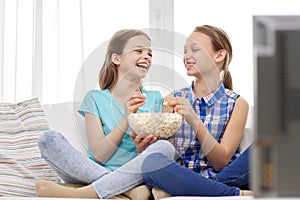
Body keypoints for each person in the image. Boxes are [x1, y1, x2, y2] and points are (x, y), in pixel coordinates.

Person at [34, 29, 176, 199]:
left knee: (166, 148)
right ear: (116, 59)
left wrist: (144, 148)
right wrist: (126, 118)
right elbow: (100, 156)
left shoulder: (155, 99)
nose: (147, 56)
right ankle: (126, 190)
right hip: (93, 171)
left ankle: (90, 191)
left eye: (150, 53)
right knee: (48, 139)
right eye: (139, 51)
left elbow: (153, 158)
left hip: (136, 175)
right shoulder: (95, 98)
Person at [142, 25, 252, 197]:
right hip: (183, 176)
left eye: (195, 49)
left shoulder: (237, 103)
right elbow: (167, 153)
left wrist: (194, 120)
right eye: (185, 51)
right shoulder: (173, 98)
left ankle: (198, 190)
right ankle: (235, 194)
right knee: (151, 162)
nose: (186, 56)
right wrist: (145, 145)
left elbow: (221, 163)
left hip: (225, 176)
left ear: (219, 55)